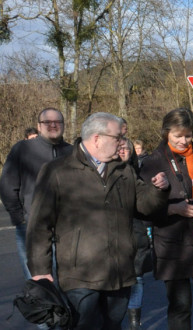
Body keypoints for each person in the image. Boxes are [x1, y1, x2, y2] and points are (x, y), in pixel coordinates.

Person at [26, 112, 170, 330]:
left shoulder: (124, 170)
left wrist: (160, 189)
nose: (122, 143)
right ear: (97, 138)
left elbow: (146, 206)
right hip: (80, 276)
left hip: (120, 274)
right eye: (117, 138)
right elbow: (39, 225)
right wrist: (40, 269)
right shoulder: (57, 171)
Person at [139, 108, 193, 330]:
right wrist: (172, 208)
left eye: (187, 135)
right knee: (180, 306)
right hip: (173, 243)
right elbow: (143, 208)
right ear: (166, 132)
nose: (183, 141)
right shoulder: (153, 162)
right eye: (178, 135)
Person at [0, 108, 73, 282]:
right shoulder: (23, 150)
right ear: (39, 126)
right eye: (47, 122)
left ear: (64, 125)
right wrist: (20, 219)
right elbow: (7, 186)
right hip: (31, 228)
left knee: (68, 286)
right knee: (40, 287)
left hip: (67, 229)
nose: (53, 125)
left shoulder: (72, 152)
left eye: (58, 122)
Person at [118, 139, 153, 330]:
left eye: (126, 148)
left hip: (137, 233)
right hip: (114, 238)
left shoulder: (140, 172)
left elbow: (148, 205)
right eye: (120, 147)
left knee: (137, 279)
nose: (123, 151)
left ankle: (134, 323)